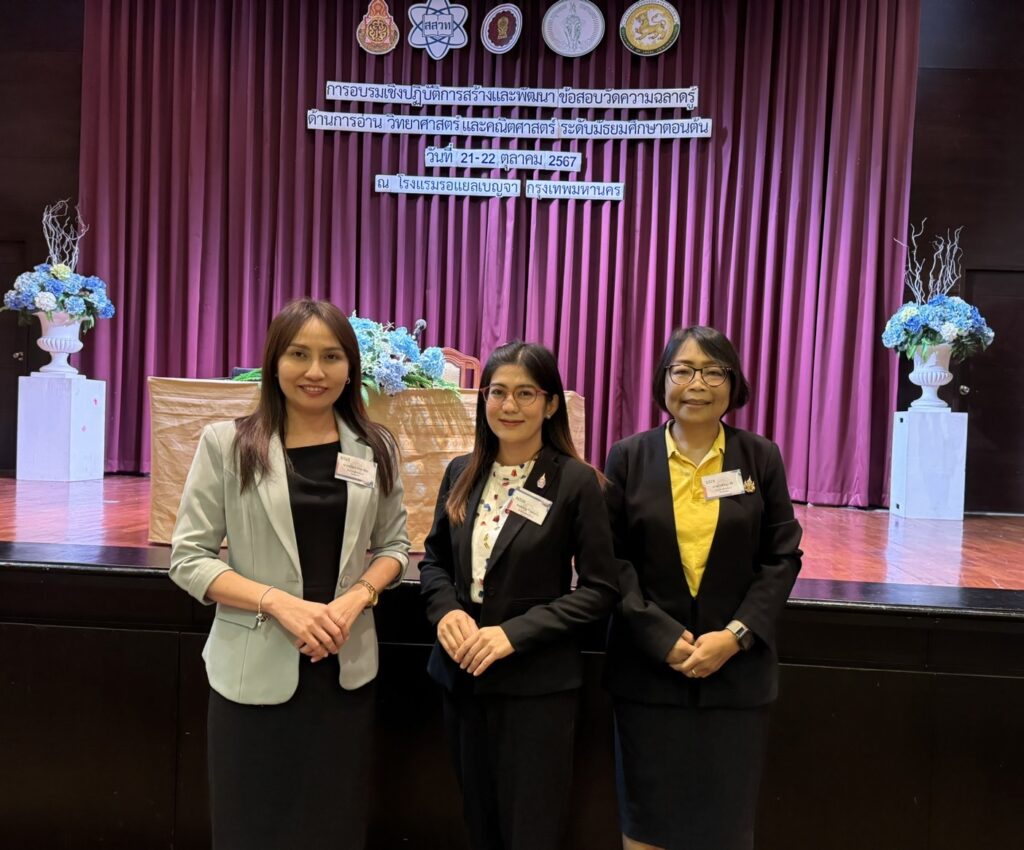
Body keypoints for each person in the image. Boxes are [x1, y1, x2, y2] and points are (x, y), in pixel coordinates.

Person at [169, 298, 409, 850]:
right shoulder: (228, 444)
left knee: (333, 827)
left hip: (343, 670)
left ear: (350, 367)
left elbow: (394, 546)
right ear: (274, 362)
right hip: (253, 671)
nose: (315, 371)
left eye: (331, 356)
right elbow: (189, 558)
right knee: (251, 829)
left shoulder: (375, 447)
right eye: (299, 354)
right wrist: (279, 603)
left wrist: (355, 599)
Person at [604, 326, 803, 850]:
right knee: (646, 822)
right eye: (684, 370)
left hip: (735, 676)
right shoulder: (628, 457)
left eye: (714, 372)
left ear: (733, 384)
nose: (698, 384)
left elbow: (782, 557)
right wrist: (660, 635)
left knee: (724, 827)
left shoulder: (760, 457)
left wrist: (735, 636)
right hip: (648, 675)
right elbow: (611, 560)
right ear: (663, 379)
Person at [419, 341, 622, 850]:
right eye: (498, 392)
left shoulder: (577, 482)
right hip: (462, 677)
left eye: (526, 393)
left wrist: (513, 635)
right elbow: (435, 561)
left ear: (550, 404)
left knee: (531, 831)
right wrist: (445, 613)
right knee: (479, 825)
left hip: (536, 686)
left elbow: (599, 589)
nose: (509, 406)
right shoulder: (461, 472)